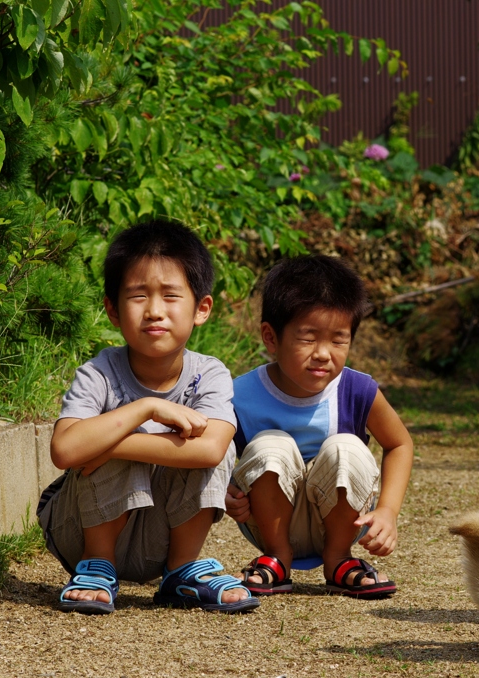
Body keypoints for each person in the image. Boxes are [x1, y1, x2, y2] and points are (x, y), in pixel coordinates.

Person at [37, 220, 258, 614]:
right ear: (112, 310)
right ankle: (97, 566)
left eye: (171, 296)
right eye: (138, 296)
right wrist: (145, 408)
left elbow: (210, 452)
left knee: (212, 440)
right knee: (109, 430)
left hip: (161, 535)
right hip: (80, 531)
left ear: (201, 309)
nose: (155, 311)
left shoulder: (210, 374)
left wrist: (111, 444)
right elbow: (65, 450)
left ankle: (182, 571)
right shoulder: (99, 373)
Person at [225, 255, 413, 599]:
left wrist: (387, 510)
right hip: (267, 522)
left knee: (347, 447)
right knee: (271, 445)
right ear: (271, 337)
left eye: (338, 340)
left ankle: (339, 559)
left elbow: (399, 444)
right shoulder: (240, 395)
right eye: (308, 337)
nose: (324, 353)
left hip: (341, 522)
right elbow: (213, 451)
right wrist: (225, 490)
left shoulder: (358, 390)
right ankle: (277, 558)